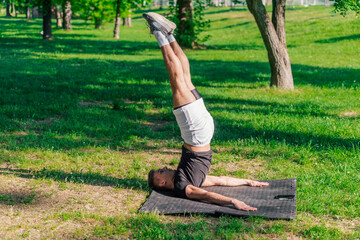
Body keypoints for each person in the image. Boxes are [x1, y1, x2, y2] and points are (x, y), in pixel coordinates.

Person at [143, 13, 269, 211]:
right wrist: (232, 201)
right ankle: (160, 32)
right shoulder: (183, 186)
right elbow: (207, 196)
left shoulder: (190, 177)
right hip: (195, 134)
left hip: (203, 132)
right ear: (161, 183)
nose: (165, 168)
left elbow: (221, 180)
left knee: (185, 77)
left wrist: (247, 181)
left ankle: (169, 35)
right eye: (161, 171)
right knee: (177, 80)